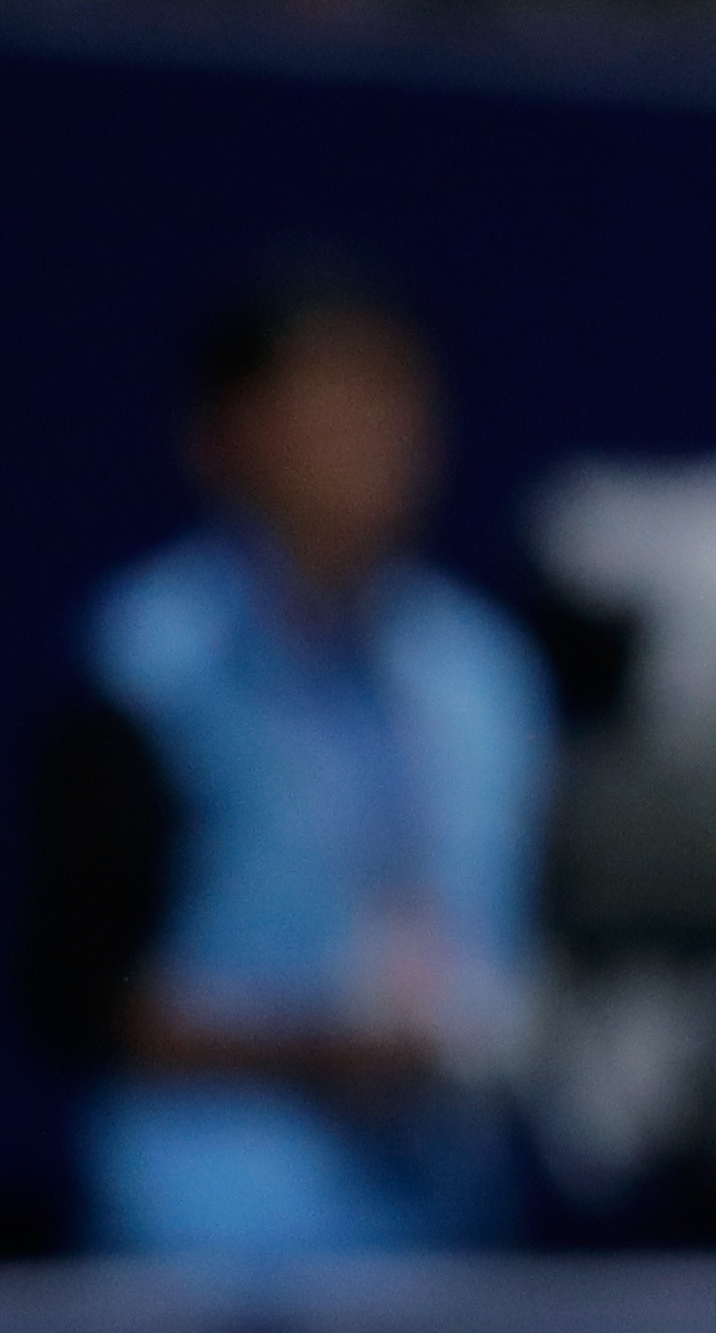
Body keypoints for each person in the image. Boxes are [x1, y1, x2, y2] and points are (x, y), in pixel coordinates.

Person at [13, 269, 552, 1258]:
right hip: (200, 1254)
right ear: (226, 436)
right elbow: (80, 997)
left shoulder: (488, 678)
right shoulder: (146, 664)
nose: (371, 436)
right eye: (328, 399)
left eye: (395, 396)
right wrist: (318, 1048)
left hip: (447, 1246)